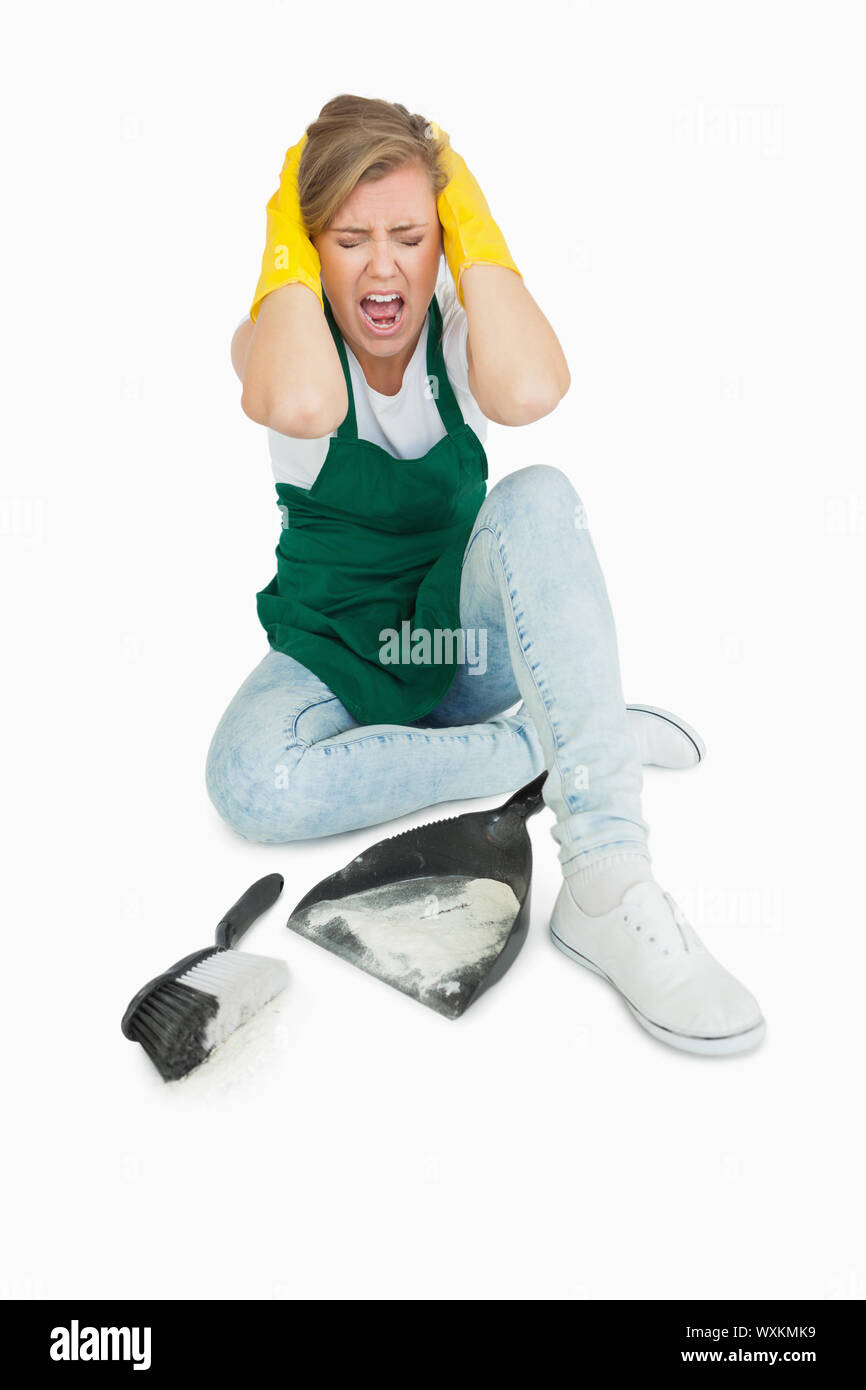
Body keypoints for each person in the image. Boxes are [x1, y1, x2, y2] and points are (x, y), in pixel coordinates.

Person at [206, 94, 766, 1057]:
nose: (384, 265)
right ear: (304, 250)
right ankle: (568, 743)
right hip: (335, 652)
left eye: (412, 236)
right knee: (249, 783)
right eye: (347, 239)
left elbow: (536, 392)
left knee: (539, 492)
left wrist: (467, 217)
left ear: (443, 240)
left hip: (462, 644)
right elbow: (299, 399)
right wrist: (281, 230)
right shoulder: (276, 334)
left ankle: (605, 875)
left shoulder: (462, 326)